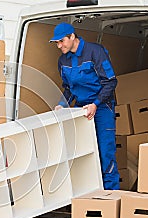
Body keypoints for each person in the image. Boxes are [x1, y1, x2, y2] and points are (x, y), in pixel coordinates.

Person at [50, 22, 120, 190]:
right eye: (57, 43)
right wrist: (61, 105)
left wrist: (95, 104)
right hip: (80, 110)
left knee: (105, 152)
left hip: (102, 108)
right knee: (84, 154)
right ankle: (89, 195)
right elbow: (69, 88)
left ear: (72, 37)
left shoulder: (95, 52)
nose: (59, 46)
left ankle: (111, 196)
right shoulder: (62, 60)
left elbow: (110, 82)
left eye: (61, 41)